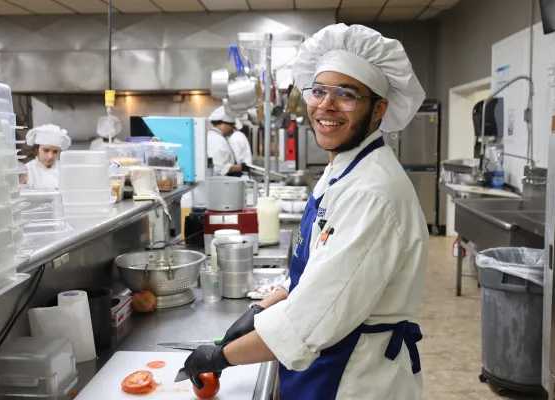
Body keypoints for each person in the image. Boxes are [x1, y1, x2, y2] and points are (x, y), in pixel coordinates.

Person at [182, 24, 428, 400]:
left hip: (354, 377)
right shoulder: (342, 169)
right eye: (319, 91)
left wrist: (220, 356)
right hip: (329, 362)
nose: (326, 106)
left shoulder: (372, 193)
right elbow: (317, 269)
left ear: (379, 108)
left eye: (346, 95)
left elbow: (310, 319)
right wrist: (261, 308)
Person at [25, 124, 71, 189]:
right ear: (37, 149)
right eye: (46, 150)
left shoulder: (65, 169)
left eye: (55, 151)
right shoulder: (27, 169)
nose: (50, 156)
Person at [207, 106, 249, 177]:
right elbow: (218, 168)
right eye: (232, 125)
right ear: (223, 124)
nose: (232, 129)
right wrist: (240, 167)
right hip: (217, 183)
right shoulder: (216, 140)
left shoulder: (216, 136)